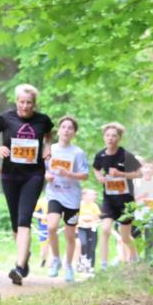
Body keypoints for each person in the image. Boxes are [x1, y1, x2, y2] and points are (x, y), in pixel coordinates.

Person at [0, 84, 53, 285]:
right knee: (16, 224)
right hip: (10, 176)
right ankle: (25, 255)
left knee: (24, 219)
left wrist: (48, 147)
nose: (25, 106)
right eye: (22, 102)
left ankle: (20, 268)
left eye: (29, 103)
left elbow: (49, 134)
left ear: (34, 103)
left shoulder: (42, 120)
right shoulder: (6, 118)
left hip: (34, 175)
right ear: (17, 101)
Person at [44, 116, 89, 281]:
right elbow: (41, 168)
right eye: (63, 127)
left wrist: (69, 174)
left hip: (72, 197)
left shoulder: (78, 153)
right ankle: (55, 259)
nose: (66, 130)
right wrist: (46, 175)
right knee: (51, 227)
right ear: (59, 130)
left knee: (70, 235)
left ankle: (68, 265)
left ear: (74, 133)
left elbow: (85, 175)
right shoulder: (50, 149)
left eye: (70, 128)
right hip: (54, 194)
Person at [93, 122, 141, 268]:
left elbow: (139, 173)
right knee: (105, 229)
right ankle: (103, 264)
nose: (110, 138)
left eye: (114, 136)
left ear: (119, 138)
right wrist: (99, 177)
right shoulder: (100, 155)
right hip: (109, 199)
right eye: (107, 135)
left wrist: (121, 174)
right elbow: (96, 168)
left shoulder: (126, 155)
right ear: (104, 137)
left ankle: (135, 256)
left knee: (124, 235)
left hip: (126, 201)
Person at [77, 188, 100, 271]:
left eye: (94, 195)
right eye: (90, 195)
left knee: (92, 247)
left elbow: (97, 218)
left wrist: (88, 219)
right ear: (84, 196)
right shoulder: (79, 205)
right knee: (83, 243)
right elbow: (76, 217)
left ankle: (91, 265)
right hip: (81, 228)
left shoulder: (94, 206)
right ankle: (82, 261)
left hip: (92, 228)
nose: (93, 196)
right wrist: (85, 219)